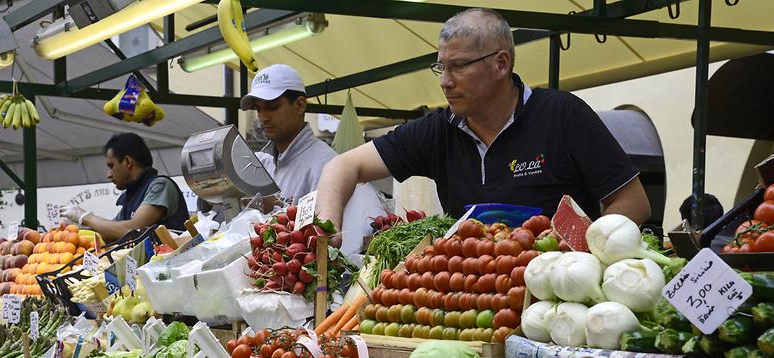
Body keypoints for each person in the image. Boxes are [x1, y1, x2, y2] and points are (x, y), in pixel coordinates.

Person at [315, 8, 652, 232]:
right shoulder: (438, 130)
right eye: (441, 68)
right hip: (475, 302)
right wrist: (325, 230)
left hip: (554, 306)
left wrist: (580, 260)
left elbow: (633, 203)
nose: (445, 81)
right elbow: (343, 166)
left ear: (501, 64)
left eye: (458, 66)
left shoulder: (563, 115)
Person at [240, 64, 386, 257]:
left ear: (299, 105)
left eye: (272, 107)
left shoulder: (327, 166)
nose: (263, 117)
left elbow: (323, 240)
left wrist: (275, 206)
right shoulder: (265, 163)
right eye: (258, 109)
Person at [60, 133, 189, 242]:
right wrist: (75, 231)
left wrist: (84, 217)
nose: (108, 174)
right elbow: (112, 231)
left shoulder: (160, 186)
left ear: (127, 162)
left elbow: (132, 230)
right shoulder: (132, 195)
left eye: (111, 166)